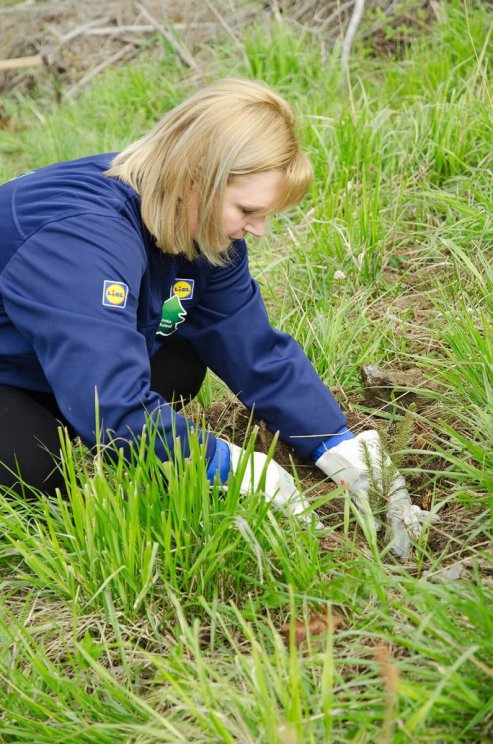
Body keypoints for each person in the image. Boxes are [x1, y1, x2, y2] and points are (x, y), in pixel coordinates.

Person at [0, 78, 431, 558]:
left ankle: (91, 424)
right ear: (195, 178)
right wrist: (230, 465)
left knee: (178, 366)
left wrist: (338, 445)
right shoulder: (81, 239)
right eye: (247, 210)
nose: (259, 230)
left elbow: (252, 350)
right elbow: (111, 404)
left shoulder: (196, 225)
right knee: (32, 465)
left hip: (45, 353)